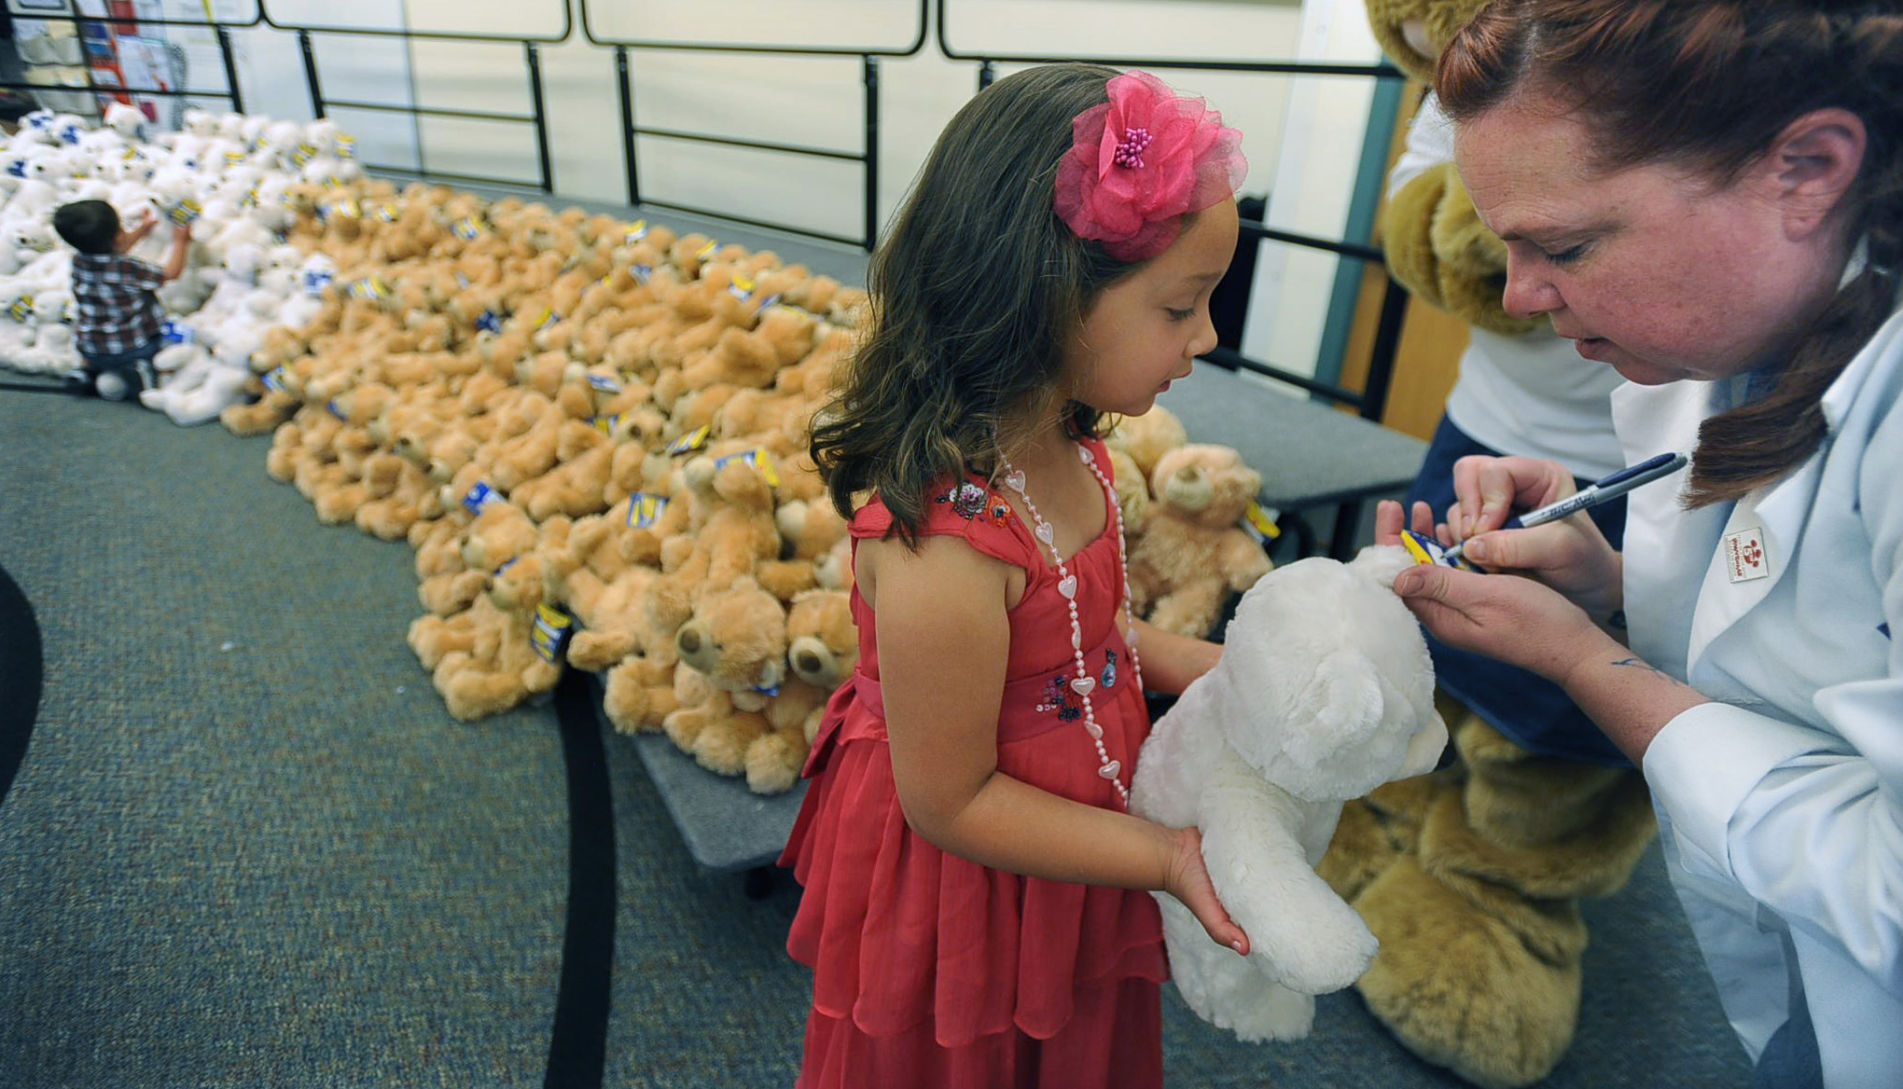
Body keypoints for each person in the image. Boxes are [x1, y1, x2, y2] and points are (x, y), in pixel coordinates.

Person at [1375, 1, 1902, 1085]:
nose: (1519, 293)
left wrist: (1582, 660)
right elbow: (1794, 651)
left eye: (1564, 245)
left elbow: (1886, 893)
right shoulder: (1726, 346)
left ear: (1804, 169)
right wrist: (1609, 589)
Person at [780, 64, 1252, 1088]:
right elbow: (950, 803)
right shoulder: (945, 546)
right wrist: (1164, 858)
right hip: (968, 878)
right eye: (1182, 307)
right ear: (1043, 300)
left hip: (1075, 844)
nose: (1205, 339)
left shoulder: (1074, 446)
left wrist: (1242, 669)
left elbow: (1086, 650)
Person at [51, 199, 190, 401]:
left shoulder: (79, 260)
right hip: (132, 347)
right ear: (117, 237)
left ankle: (85, 371)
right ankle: (142, 376)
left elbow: (114, 250)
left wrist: (142, 229)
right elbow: (170, 273)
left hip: (89, 346)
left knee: (90, 332)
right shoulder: (128, 268)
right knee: (164, 342)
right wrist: (180, 241)